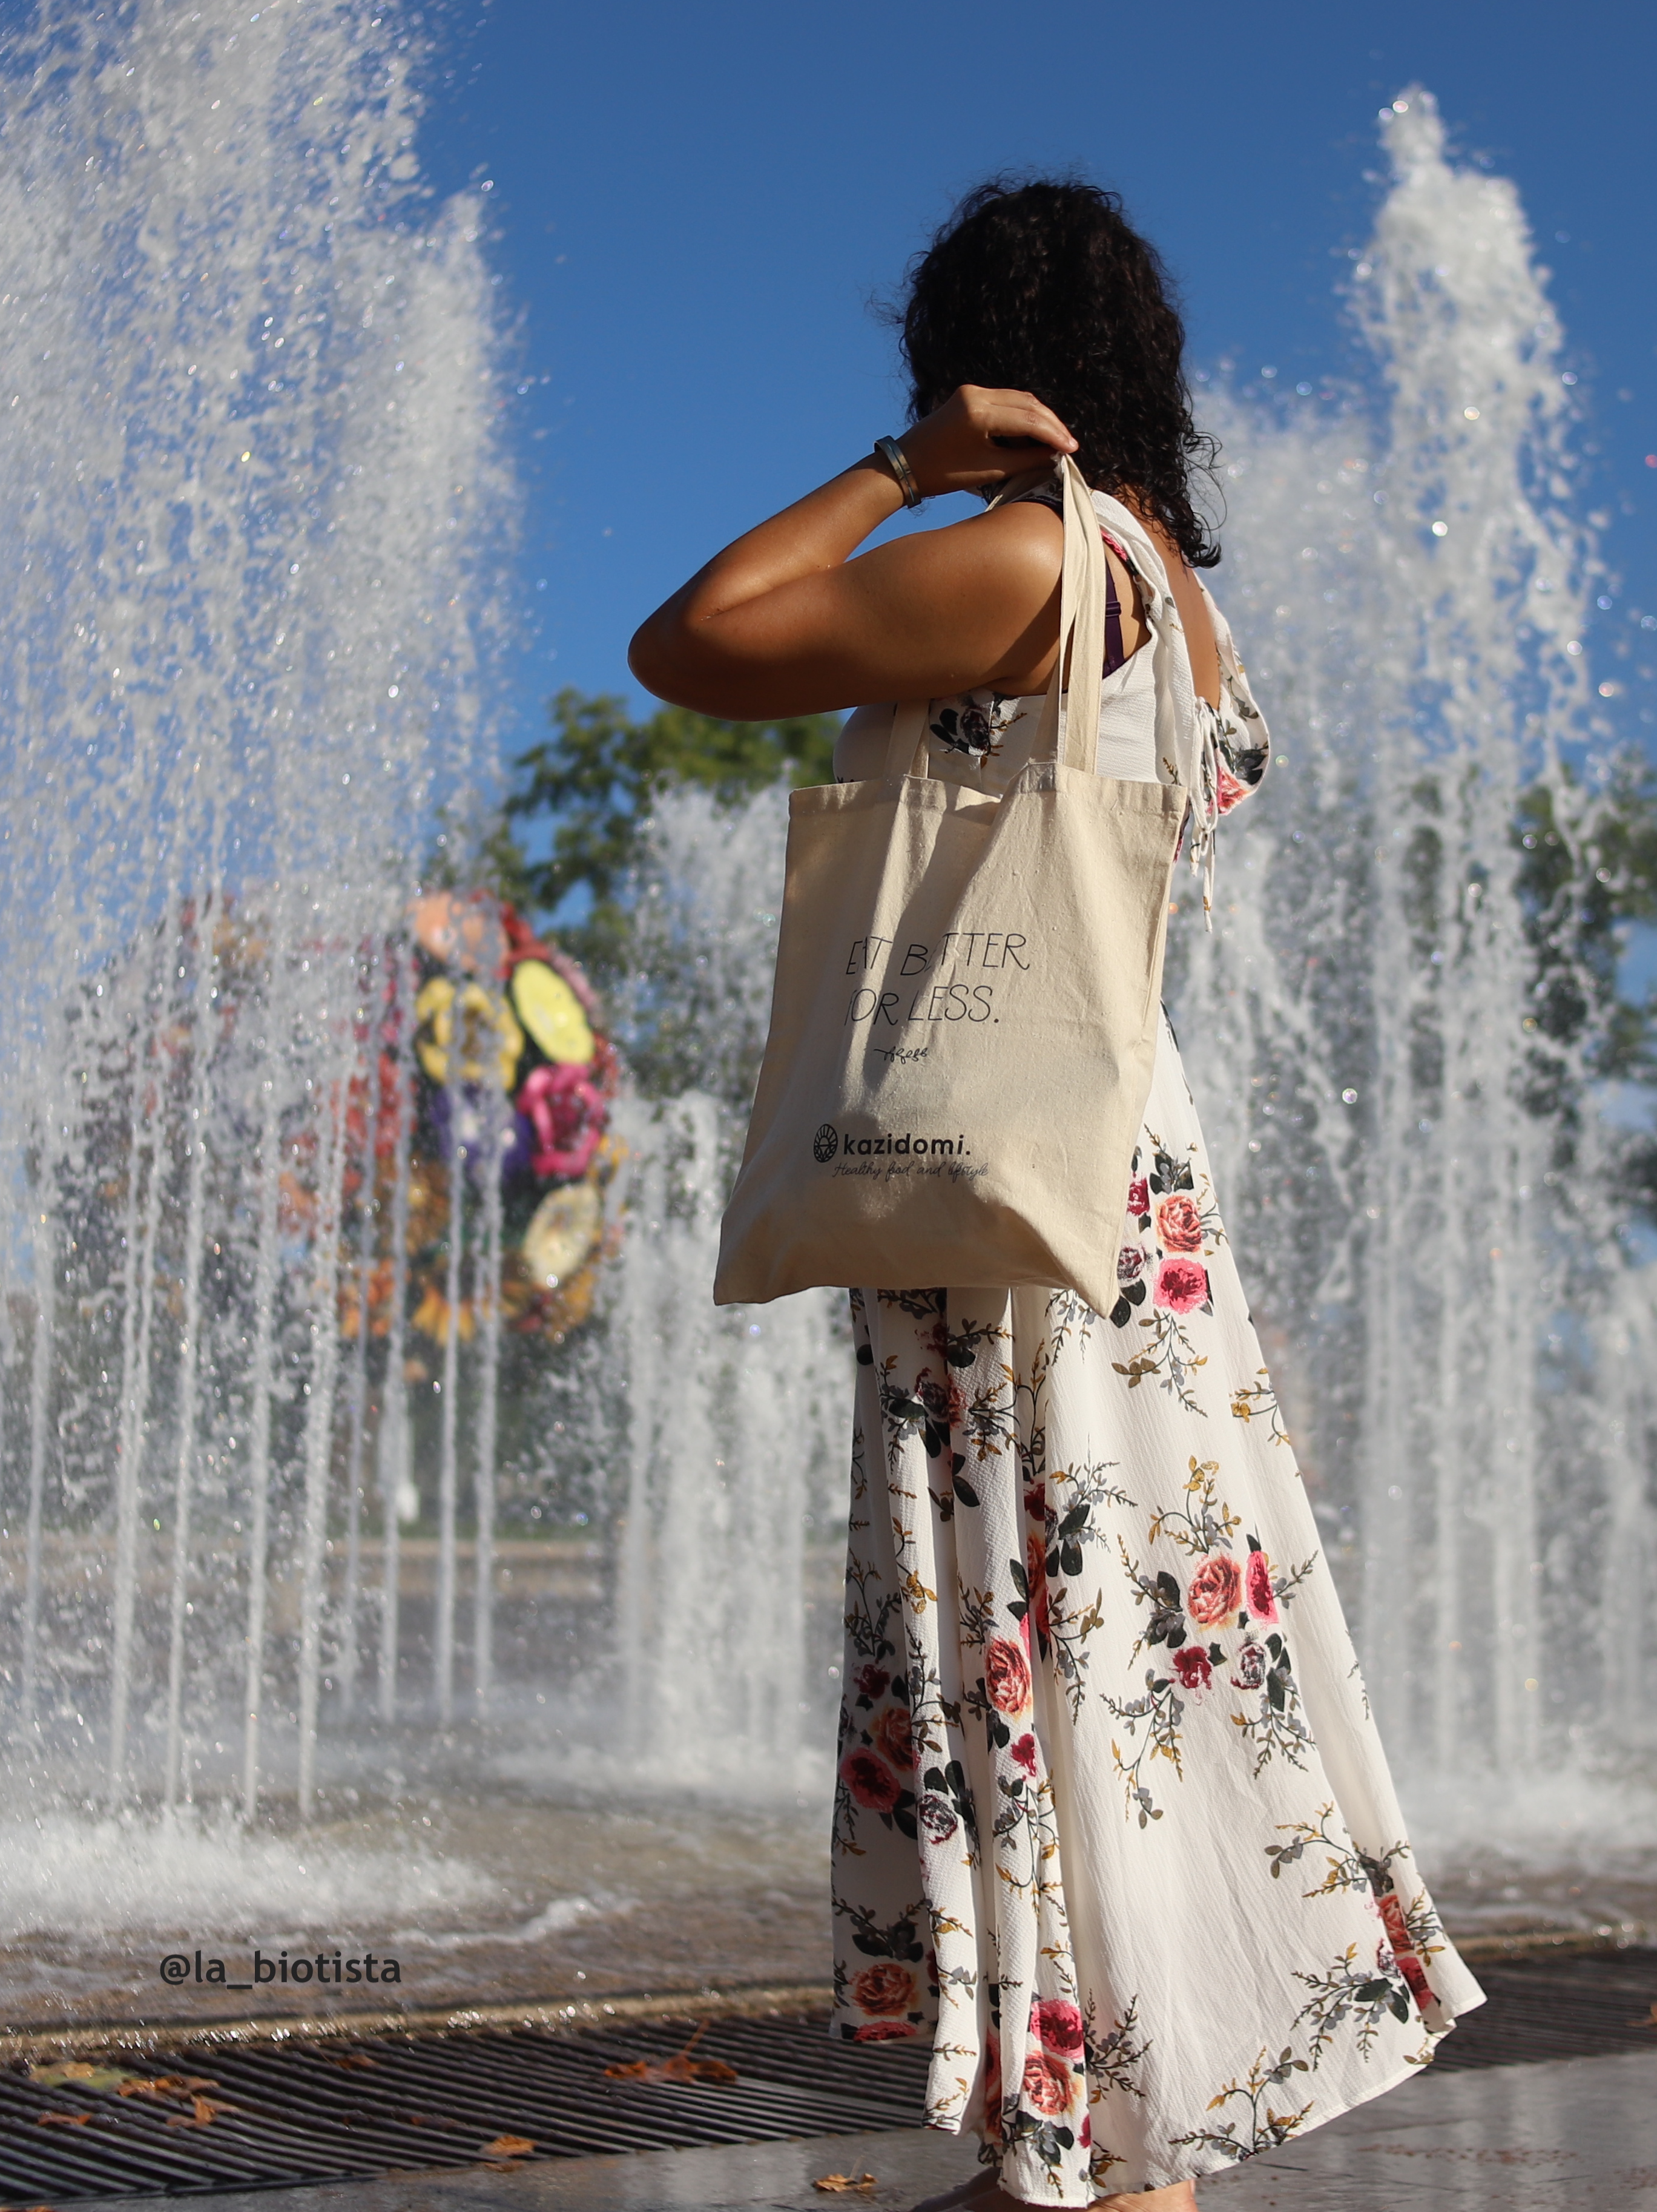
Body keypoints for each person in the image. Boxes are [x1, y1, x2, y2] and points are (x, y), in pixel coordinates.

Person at [630, 178, 1480, 2210]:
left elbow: (695, 644)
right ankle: (1097, 2144)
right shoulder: (1177, 591)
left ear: (979, 368)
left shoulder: (1020, 559)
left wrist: (894, 472)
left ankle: (1104, 2162)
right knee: (1108, 1627)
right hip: (1125, 1169)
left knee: (1032, 1600)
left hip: (997, 1171)